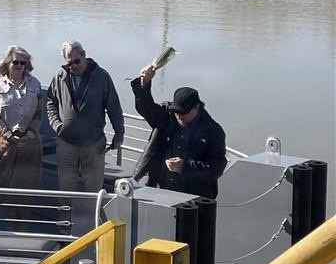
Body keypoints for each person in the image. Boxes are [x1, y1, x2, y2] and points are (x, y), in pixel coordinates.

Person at [131, 63, 227, 199]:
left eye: (183, 113)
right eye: (176, 112)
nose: (178, 116)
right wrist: (144, 83)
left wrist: (185, 166)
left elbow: (217, 168)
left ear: (196, 108)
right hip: (159, 190)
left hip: (192, 199)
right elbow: (146, 108)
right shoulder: (167, 116)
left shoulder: (213, 131)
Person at [0, 45, 45, 225]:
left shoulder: (35, 84)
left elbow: (39, 114)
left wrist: (29, 134)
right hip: (3, 143)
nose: (19, 66)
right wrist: (8, 134)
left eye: (23, 63)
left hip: (29, 144)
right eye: (16, 62)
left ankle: (19, 219)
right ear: (8, 63)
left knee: (25, 184)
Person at [47, 40, 124, 192]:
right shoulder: (60, 76)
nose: (74, 66)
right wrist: (56, 125)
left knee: (93, 190)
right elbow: (51, 102)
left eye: (77, 61)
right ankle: (65, 216)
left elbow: (114, 107)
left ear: (84, 55)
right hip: (66, 143)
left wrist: (119, 134)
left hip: (93, 144)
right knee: (65, 189)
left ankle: (91, 216)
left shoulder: (102, 77)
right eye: (70, 64)